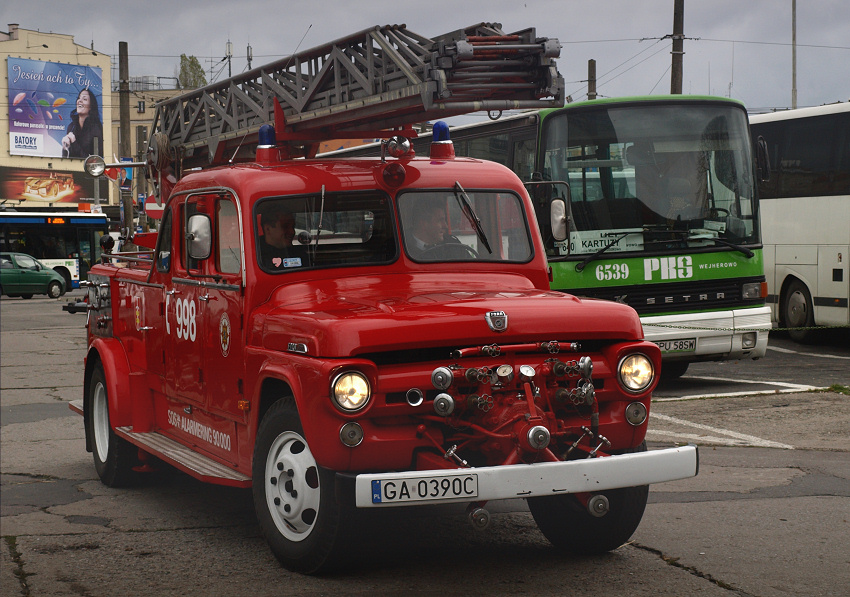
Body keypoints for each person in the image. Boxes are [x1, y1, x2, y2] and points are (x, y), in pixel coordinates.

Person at [61, 88, 104, 158]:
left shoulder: (96, 129)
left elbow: (94, 160)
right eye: (79, 98)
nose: (80, 101)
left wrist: (74, 142)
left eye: (85, 99)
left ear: (91, 106)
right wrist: (65, 148)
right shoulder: (71, 127)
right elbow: (66, 159)